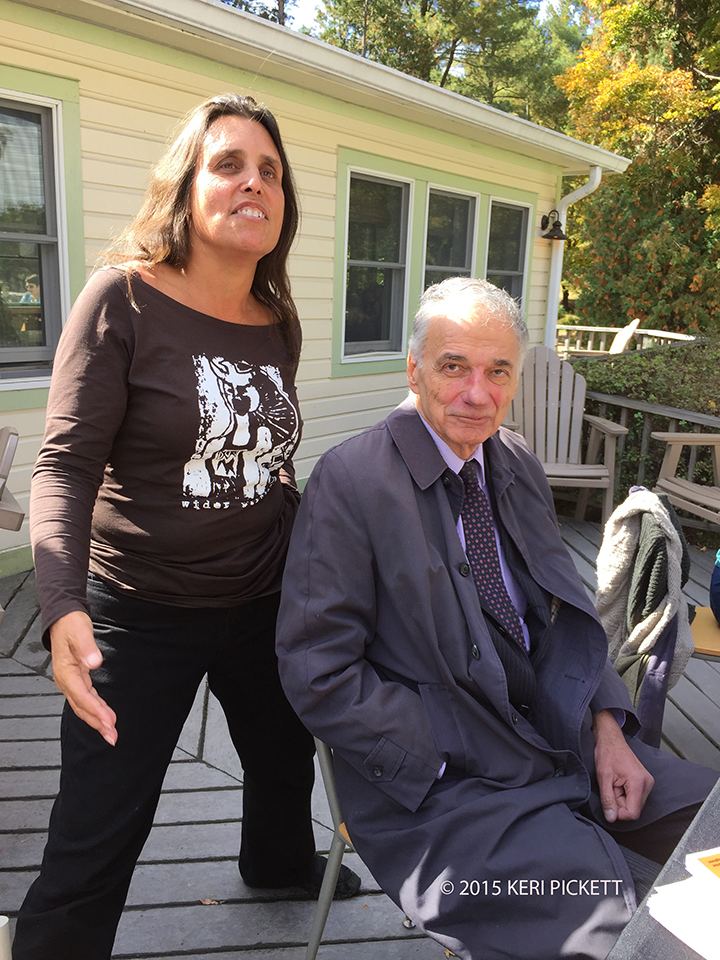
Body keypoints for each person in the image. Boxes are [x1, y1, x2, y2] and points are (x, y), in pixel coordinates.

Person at [275, 276, 718, 960]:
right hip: (443, 790)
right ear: (414, 369)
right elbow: (317, 671)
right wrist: (448, 752)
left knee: (710, 822)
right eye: (454, 367)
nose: (476, 394)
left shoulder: (512, 461)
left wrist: (607, 727)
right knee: (609, 922)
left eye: (497, 371)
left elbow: (564, 605)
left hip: (558, 737)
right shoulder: (351, 483)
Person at [14, 92, 359, 960]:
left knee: (282, 756)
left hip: (262, 595)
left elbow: (265, 460)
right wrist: (63, 608)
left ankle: (278, 862)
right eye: (230, 164)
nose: (254, 182)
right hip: (137, 610)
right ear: (187, 186)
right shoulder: (120, 300)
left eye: (270, 171)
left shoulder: (275, 320)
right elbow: (63, 466)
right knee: (98, 822)